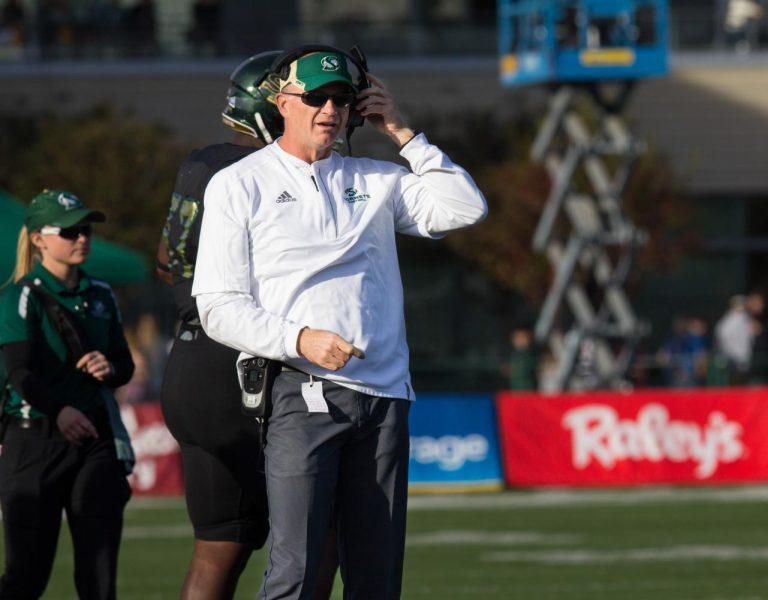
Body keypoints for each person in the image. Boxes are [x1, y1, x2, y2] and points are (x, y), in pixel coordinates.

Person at [192, 45, 487, 599]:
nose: (330, 109)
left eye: (343, 99)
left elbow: (464, 207)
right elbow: (218, 304)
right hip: (300, 394)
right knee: (296, 571)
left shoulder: (377, 178)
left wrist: (401, 130)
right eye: (316, 98)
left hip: (385, 401)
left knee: (376, 578)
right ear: (283, 102)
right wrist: (298, 339)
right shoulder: (239, 182)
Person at [158, 51, 338, 600]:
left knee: (219, 548)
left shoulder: (200, 163)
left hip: (190, 359)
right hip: (248, 362)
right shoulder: (259, 175)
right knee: (320, 537)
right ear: (273, 107)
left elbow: (168, 261)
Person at [0, 189, 135, 599]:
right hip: (36, 439)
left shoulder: (101, 293)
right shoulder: (20, 296)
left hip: (93, 440)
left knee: (98, 576)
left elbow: (124, 365)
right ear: (39, 238)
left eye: (86, 229)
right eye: (71, 230)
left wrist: (108, 368)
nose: (82, 238)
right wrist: (59, 411)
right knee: (27, 576)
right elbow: (19, 373)